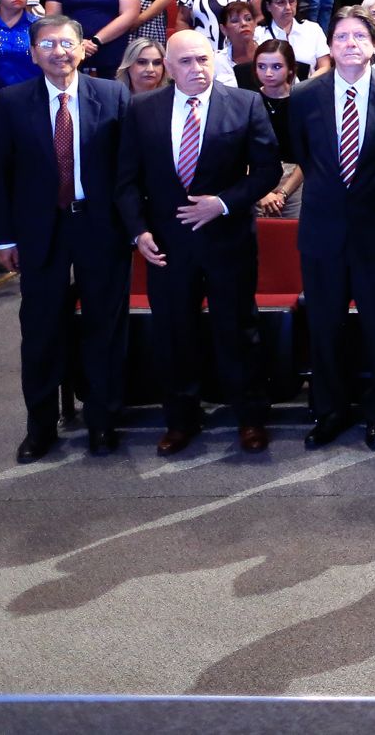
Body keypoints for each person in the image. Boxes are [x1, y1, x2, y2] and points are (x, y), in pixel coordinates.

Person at [118, 30, 281, 456]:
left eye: (204, 60)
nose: (197, 70)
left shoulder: (244, 103)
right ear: (168, 68)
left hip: (228, 241)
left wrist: (223, 204)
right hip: (168, 246)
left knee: (238, 331)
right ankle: (181, 421)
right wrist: (139, 231)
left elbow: (266, 172)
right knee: (174, 335)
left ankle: (249, 418)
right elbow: (127, 180)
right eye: (186, 62)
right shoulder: (141, 108)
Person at [0, 16, 127, 458]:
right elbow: (1, 174)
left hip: (100, 228)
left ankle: (102, 422)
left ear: (83, 47)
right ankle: (41, 427)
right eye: (47, 45)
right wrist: (5, 238)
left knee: (104, 328)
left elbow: (127, 170)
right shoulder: (12, 102)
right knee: (41, 330)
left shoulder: (112, 95)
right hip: (41, 230)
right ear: (33, 54)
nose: (58, 52)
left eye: (66, 43)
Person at [287, 8, 375, 452]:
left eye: (358, 36)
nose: (349, 44)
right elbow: (304, 156)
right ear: (330, 44)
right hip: (322, 229)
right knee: (324, 325)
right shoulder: (304, 95)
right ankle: (329, 411)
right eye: (341, 36)